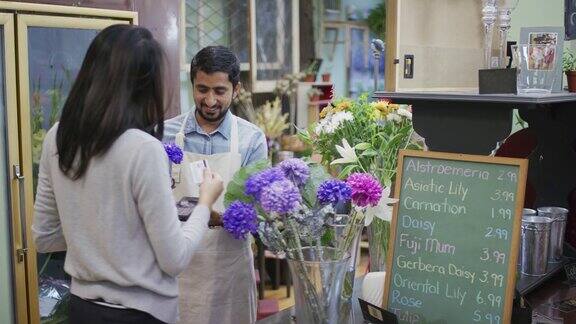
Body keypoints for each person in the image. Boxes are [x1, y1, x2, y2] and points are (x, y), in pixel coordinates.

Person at [32, 25, 223, 324]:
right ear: (144, 86)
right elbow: (175, 259)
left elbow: (45, 237)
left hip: (82, 309)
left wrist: (100, 237)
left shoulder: (57, 136)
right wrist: (204, 203)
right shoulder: (143, 148)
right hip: (140, 314)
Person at [163, 46, 267, 323]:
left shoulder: (251, 139)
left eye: (219, 91)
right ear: (192, 85)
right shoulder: (165, 133)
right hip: (178, 267)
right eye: (202, 89)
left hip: (229, 267)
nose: (209, 100)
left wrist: (219, 216)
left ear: (236, 89)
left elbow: (257, 210)